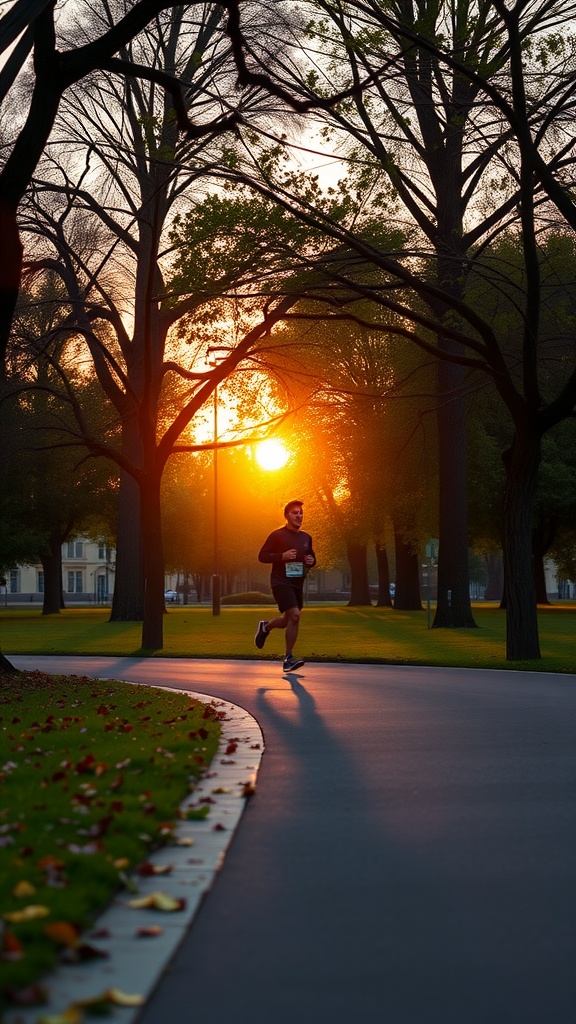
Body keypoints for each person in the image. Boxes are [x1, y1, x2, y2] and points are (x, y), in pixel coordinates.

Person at [254, 499, 316, 672]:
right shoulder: (277, 535)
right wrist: (282, 556)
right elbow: (262, 556)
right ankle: (288, 658)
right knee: (295, 616)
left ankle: (265, 627)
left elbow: (310, 557)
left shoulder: (306, 538)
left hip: (297, 584)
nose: (299, 516)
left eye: (301, 513)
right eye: (295, 513)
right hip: (280, 582)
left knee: (287, 620)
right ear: (287, 516)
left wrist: (311, 561)